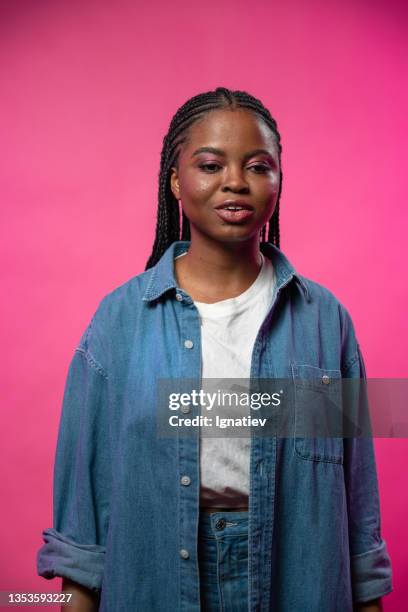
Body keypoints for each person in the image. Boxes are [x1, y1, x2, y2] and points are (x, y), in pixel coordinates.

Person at [37, 87, 393, 611]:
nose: (235, 181)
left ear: (277, 182)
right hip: (154, 574)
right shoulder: (118, 323)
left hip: (297, 574)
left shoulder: (324, 320)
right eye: (210, 164)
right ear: (176, 181)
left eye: (258, 166)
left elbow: (357, 501)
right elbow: (81, 528)